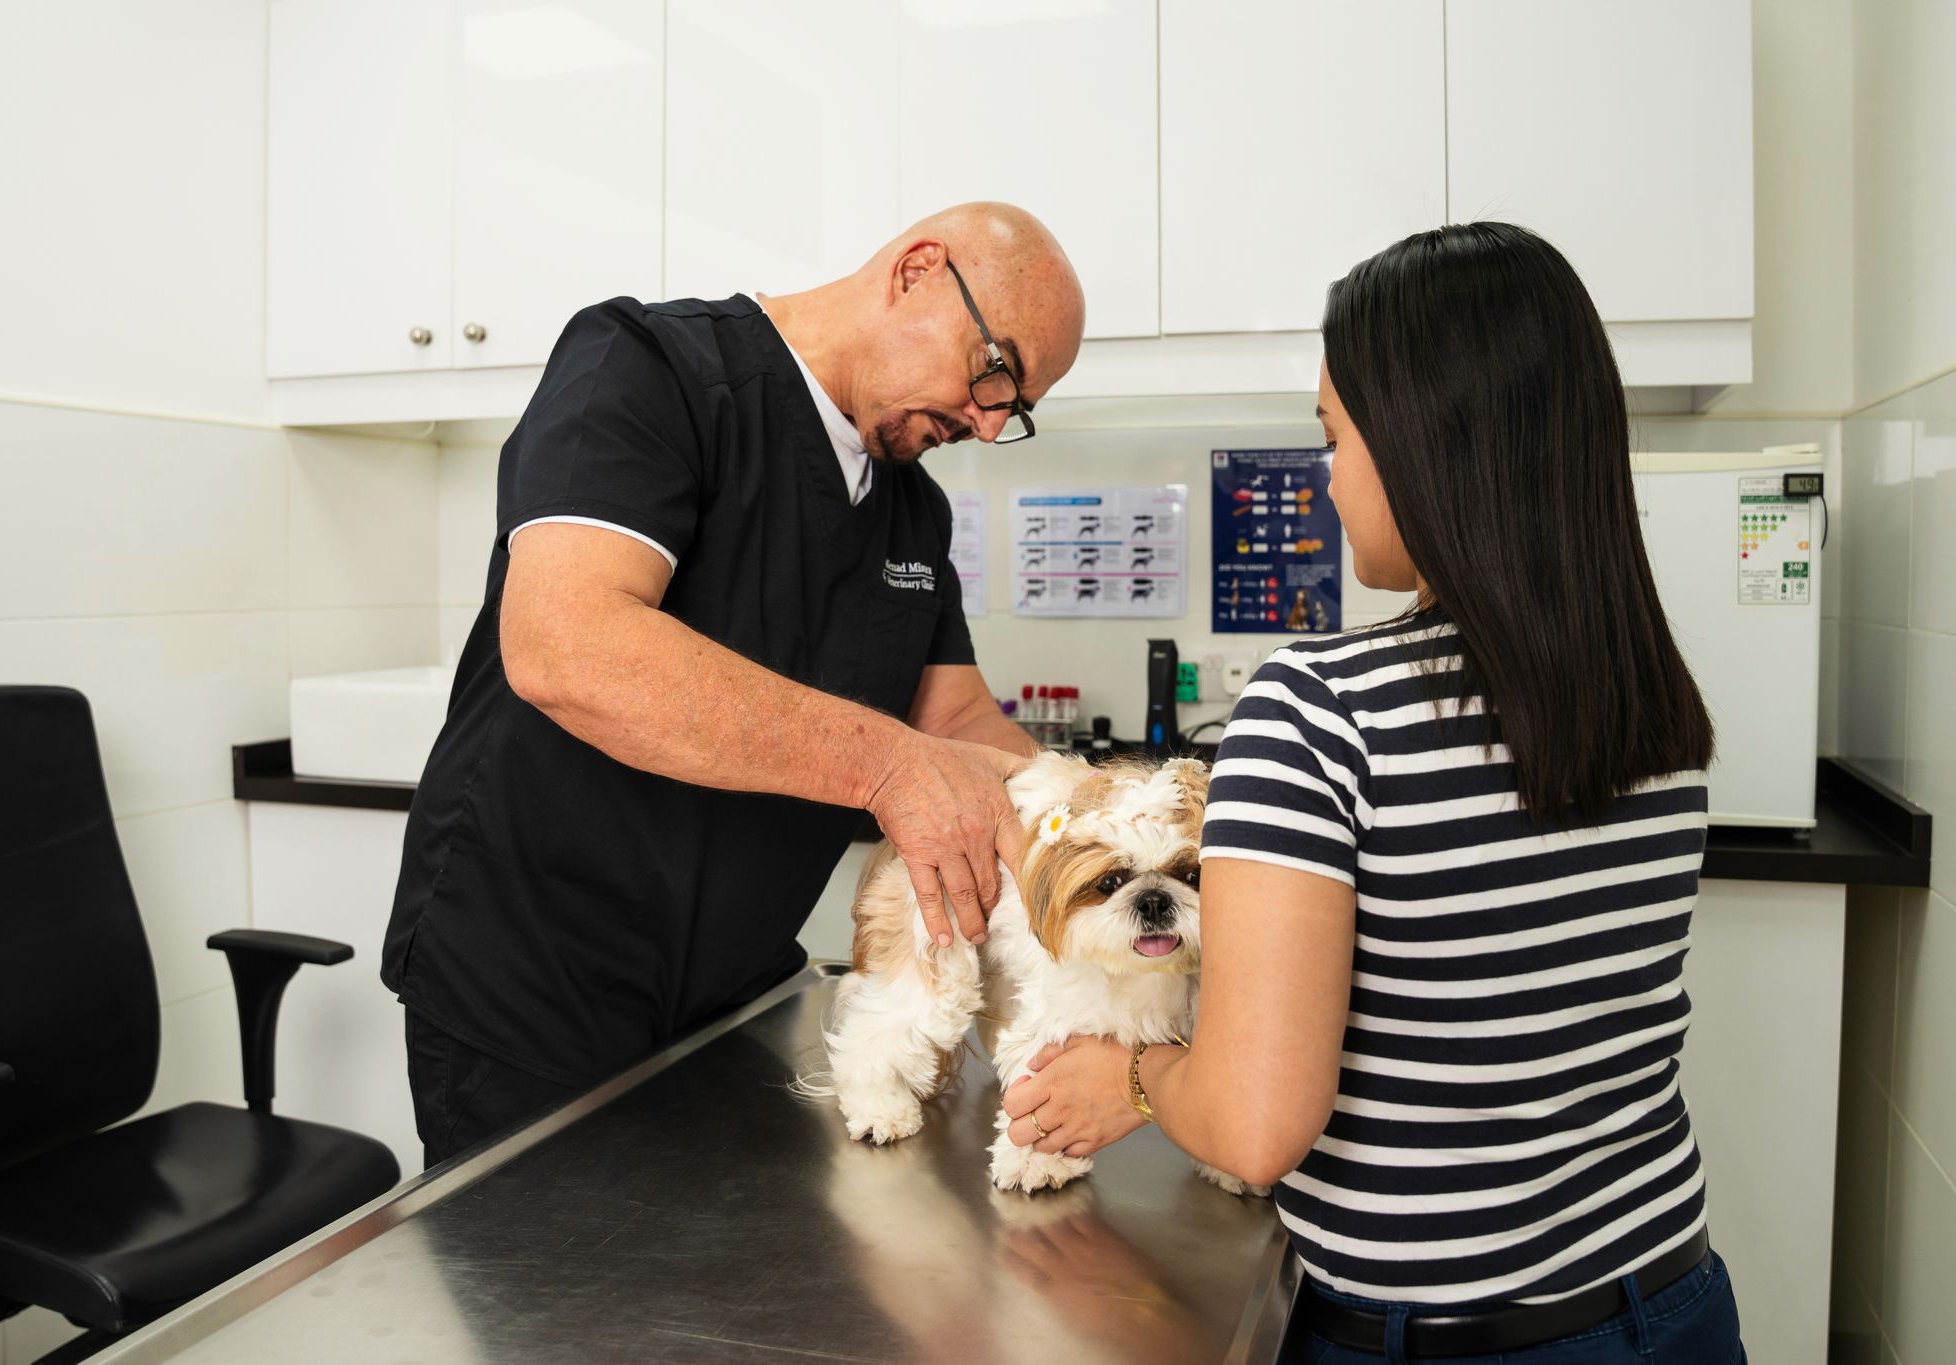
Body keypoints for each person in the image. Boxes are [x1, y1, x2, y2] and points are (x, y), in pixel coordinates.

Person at [1001, 222, 1747, 1362]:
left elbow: (1253, 1128)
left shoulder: (1320, 709)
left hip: (1438, 1338)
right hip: (1670, 1297)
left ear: (1421, 447)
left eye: (1335, 437)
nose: (1329, 478)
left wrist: (1134, 1076)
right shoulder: (1652, 699)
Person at [386, 202, 1085, 1168]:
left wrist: (1102, 817)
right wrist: (887, 767)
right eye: (996, 370)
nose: (990, 418)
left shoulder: (910, 511)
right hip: (535, 988)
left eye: (1017, 408)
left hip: (733, 994)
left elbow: (953, 718)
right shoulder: (647, 367)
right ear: (918, 270)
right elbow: (566, 646)